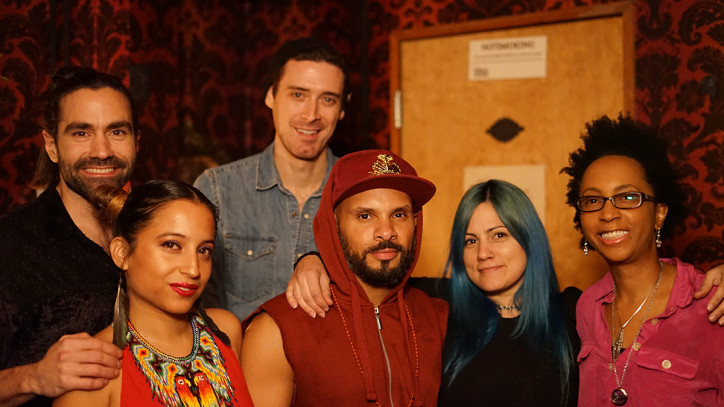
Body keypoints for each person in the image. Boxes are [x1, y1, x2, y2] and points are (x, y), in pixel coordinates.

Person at [240, 150, 448, 407]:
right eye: (365, 216)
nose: (386, 232)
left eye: (399, 214)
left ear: (415, 222)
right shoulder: (277, 330)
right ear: (334, 224)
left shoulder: (438, 315)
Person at [562, 114, 723, 405]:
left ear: (659, 214)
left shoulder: (710, 304)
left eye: (627, 197)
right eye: (592, 200)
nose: (607, 213)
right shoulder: (587, 307)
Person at [0, 66, 138, 407]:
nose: (102, 150)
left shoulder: (153, 231)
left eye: (116, 131)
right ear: (52, 146)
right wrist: (34, 376)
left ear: (137, 141)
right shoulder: (10, 245)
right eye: (81, 133)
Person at [53, 180, 253, 407]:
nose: (193, 269)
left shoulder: (226, 330)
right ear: (122, 253)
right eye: (171, 245)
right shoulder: (96, 369)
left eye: (203, 250)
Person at [194, 37, 350, 320]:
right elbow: (196, 307)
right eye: (298, 95)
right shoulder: (218, 189)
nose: (311, 115)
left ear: (341, 109)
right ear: (270, 96)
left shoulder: (357, 194)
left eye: (328, 99)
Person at [437, 180, 579, 407]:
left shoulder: (574, 314)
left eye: (499, 235)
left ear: (529, 239)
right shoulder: (439, 313)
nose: (483, 253)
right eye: (471, 241)